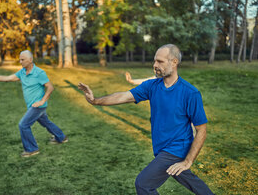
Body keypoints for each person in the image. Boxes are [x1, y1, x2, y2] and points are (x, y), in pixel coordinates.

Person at [78, 44, 214, 195]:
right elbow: (124, 96)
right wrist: (95, 100)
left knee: (143, 184)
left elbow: (202, 129)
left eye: (160, 61)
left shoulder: (190, 93)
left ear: (174, 62)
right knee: (187, 178)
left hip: (176, 149)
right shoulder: (152, 86)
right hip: (162, 148)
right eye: (154, 61)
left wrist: (188, 160)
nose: (155, 65)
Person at [0, 50, 68, 157]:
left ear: (30, 60)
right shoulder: (22, 72)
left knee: (23, 125)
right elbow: (7, 78)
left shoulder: (39, 73)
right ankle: (61, 137)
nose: (20, 62)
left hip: (37, 106)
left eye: (23, 59)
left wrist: (42, 101)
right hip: (33, 106)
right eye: (20, 59)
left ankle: (32, 149)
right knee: (46, 123)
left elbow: (50, 87)